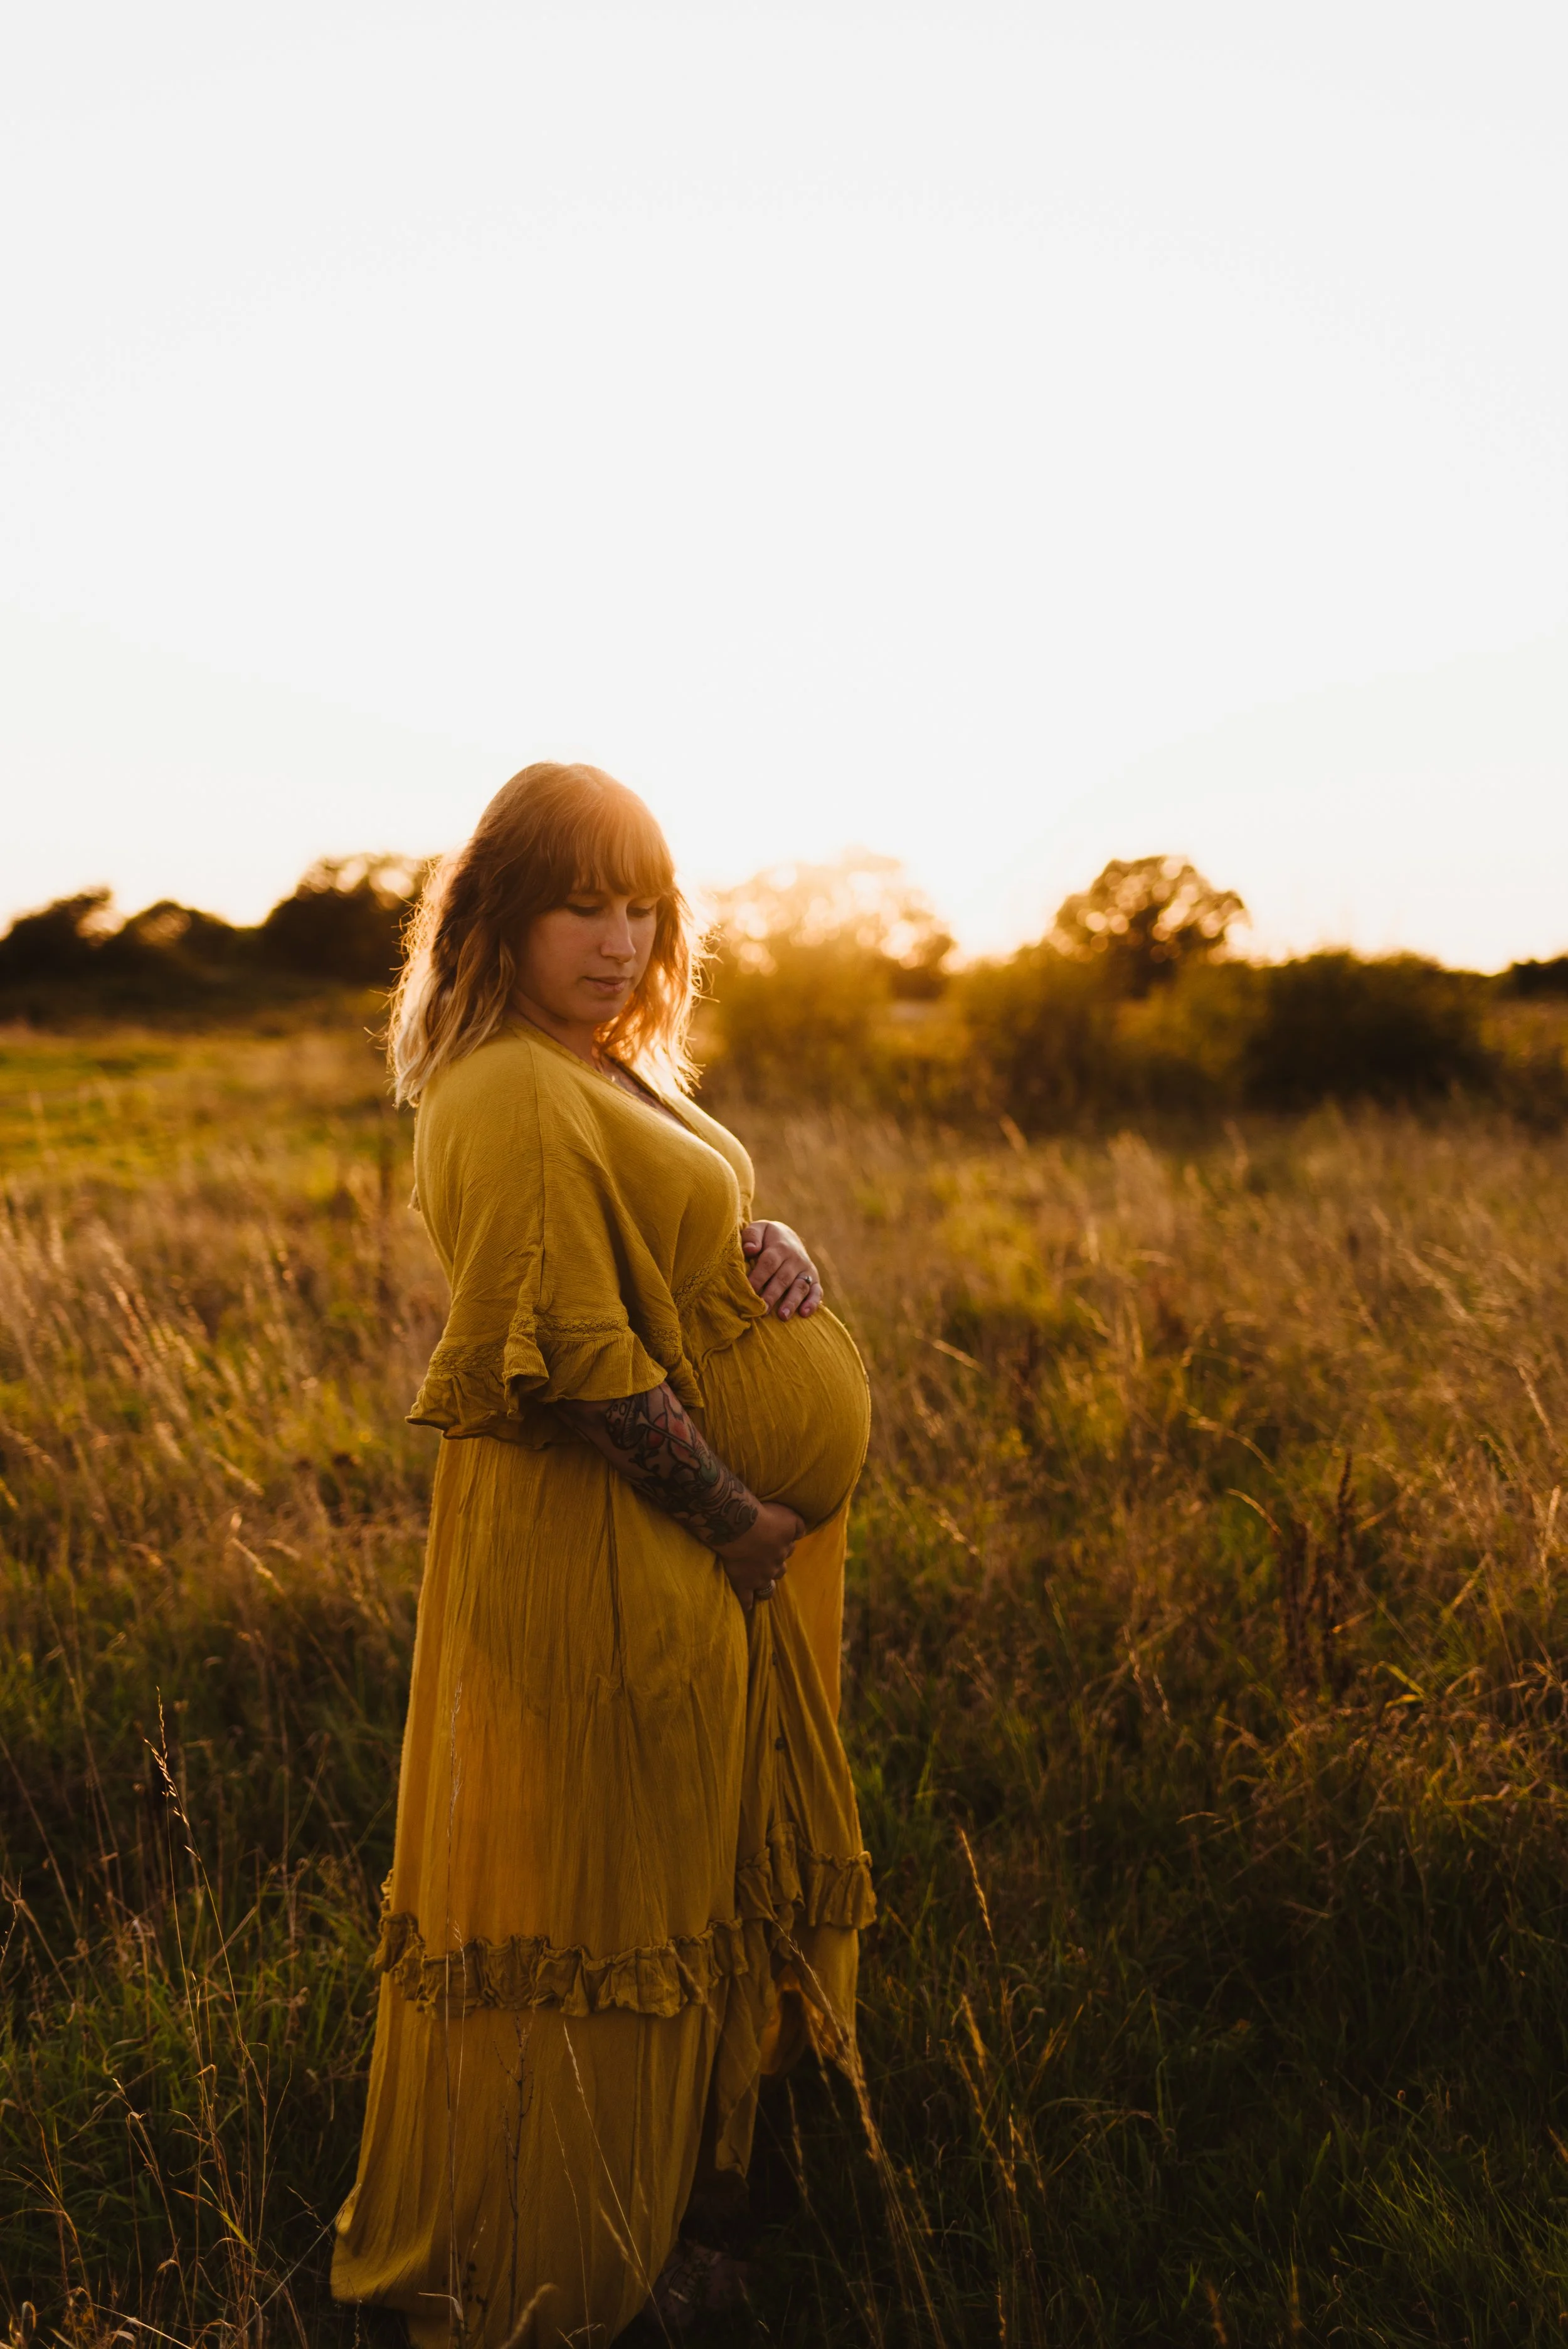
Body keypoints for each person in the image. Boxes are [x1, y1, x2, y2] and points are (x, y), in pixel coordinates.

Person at [331, 762, 874, 2345]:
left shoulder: (597, 1063)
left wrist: (766, 1243)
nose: (621, 937)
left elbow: (664, 1249)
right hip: (614, 1555)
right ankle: (567, 2267)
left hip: (685, 1560)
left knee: (677, 1894)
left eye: (643, 905)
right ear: (496, 914)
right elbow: (572, 1358)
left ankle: (672, 2229)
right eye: (583, 902)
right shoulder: (505, 1085)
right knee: (599, 1912)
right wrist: (737, 1518)